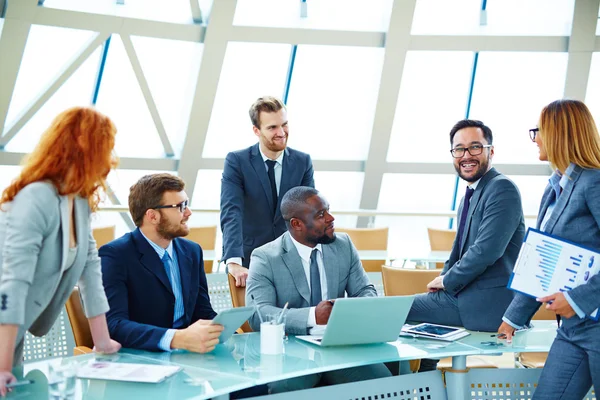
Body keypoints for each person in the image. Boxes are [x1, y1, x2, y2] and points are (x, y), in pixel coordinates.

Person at [0, 107, 121, 396]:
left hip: (11, 335)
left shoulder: (76, 201)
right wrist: (3, 367)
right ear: (82, 142)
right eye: (105, 147)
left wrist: (102, 341)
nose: (110, 158)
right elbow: (14, 282)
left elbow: (91, 269)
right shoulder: (37, 197)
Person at [498, 100, 600, 399]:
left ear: (558, 133)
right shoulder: (557, 185)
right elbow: (542, 259)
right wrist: (514, 317)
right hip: (572, 328)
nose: (536, 138)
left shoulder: (595, 182)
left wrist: (576, 299)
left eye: (539, 131)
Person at [246, 186, 391, 393]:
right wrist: (313, 316)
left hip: (339, 347)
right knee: (285, 388)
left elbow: (365, 290)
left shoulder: (343, 245)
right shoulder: (266, 257)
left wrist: (347, 311)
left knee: (384, 383)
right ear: (296, 224)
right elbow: (258, 314)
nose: (331, 218)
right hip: (290, 352)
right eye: (321, 215)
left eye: (328, 210)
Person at [407, 119, 525, 371]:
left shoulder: (501, 188)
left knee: (396, 312)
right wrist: (442, 282)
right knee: (419, 322)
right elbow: (458, 251)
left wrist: (448, 281)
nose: (466, 155)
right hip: (464, 296)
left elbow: (486, 251)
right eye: (459, 149)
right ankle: (425, 384)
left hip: (485, 303)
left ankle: (402, 387)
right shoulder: (470, 195)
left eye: (474, 147)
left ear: (490, 151)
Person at [100, 174, 223, 353]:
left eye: (186, 204)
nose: (188, 213)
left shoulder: (192, 251)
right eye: (180, 207)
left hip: (188, 356)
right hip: (142, 359)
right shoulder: (115, 255)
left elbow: (202, 311)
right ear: (152, 216)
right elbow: (114, 325)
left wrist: (227, 330)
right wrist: (176, 339)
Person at [221, 96, 315, 287]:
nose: (281, 132)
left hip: (293, 259)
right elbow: (232, 211)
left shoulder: (302, 162)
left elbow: (310, 212)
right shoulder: (237, 161)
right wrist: (233, 261)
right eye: (272, 127)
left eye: (285, 124)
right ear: (256, 130)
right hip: (251, 261)